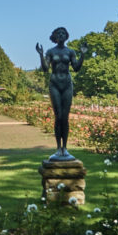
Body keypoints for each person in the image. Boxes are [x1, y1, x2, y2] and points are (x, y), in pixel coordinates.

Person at [36, 27, 88, 160]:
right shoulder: (50, 51)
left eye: (63, 33)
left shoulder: (70, 51)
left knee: (65, 117)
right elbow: (46, 68)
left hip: (67, 84)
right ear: (55, 36)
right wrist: (41, 55)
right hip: (54, 84)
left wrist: (82, 54)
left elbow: (76, 68)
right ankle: (58, 148)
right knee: (58, 116)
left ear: (66, 36)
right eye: (59, 33)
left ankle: (65, 148)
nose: (61, 34)